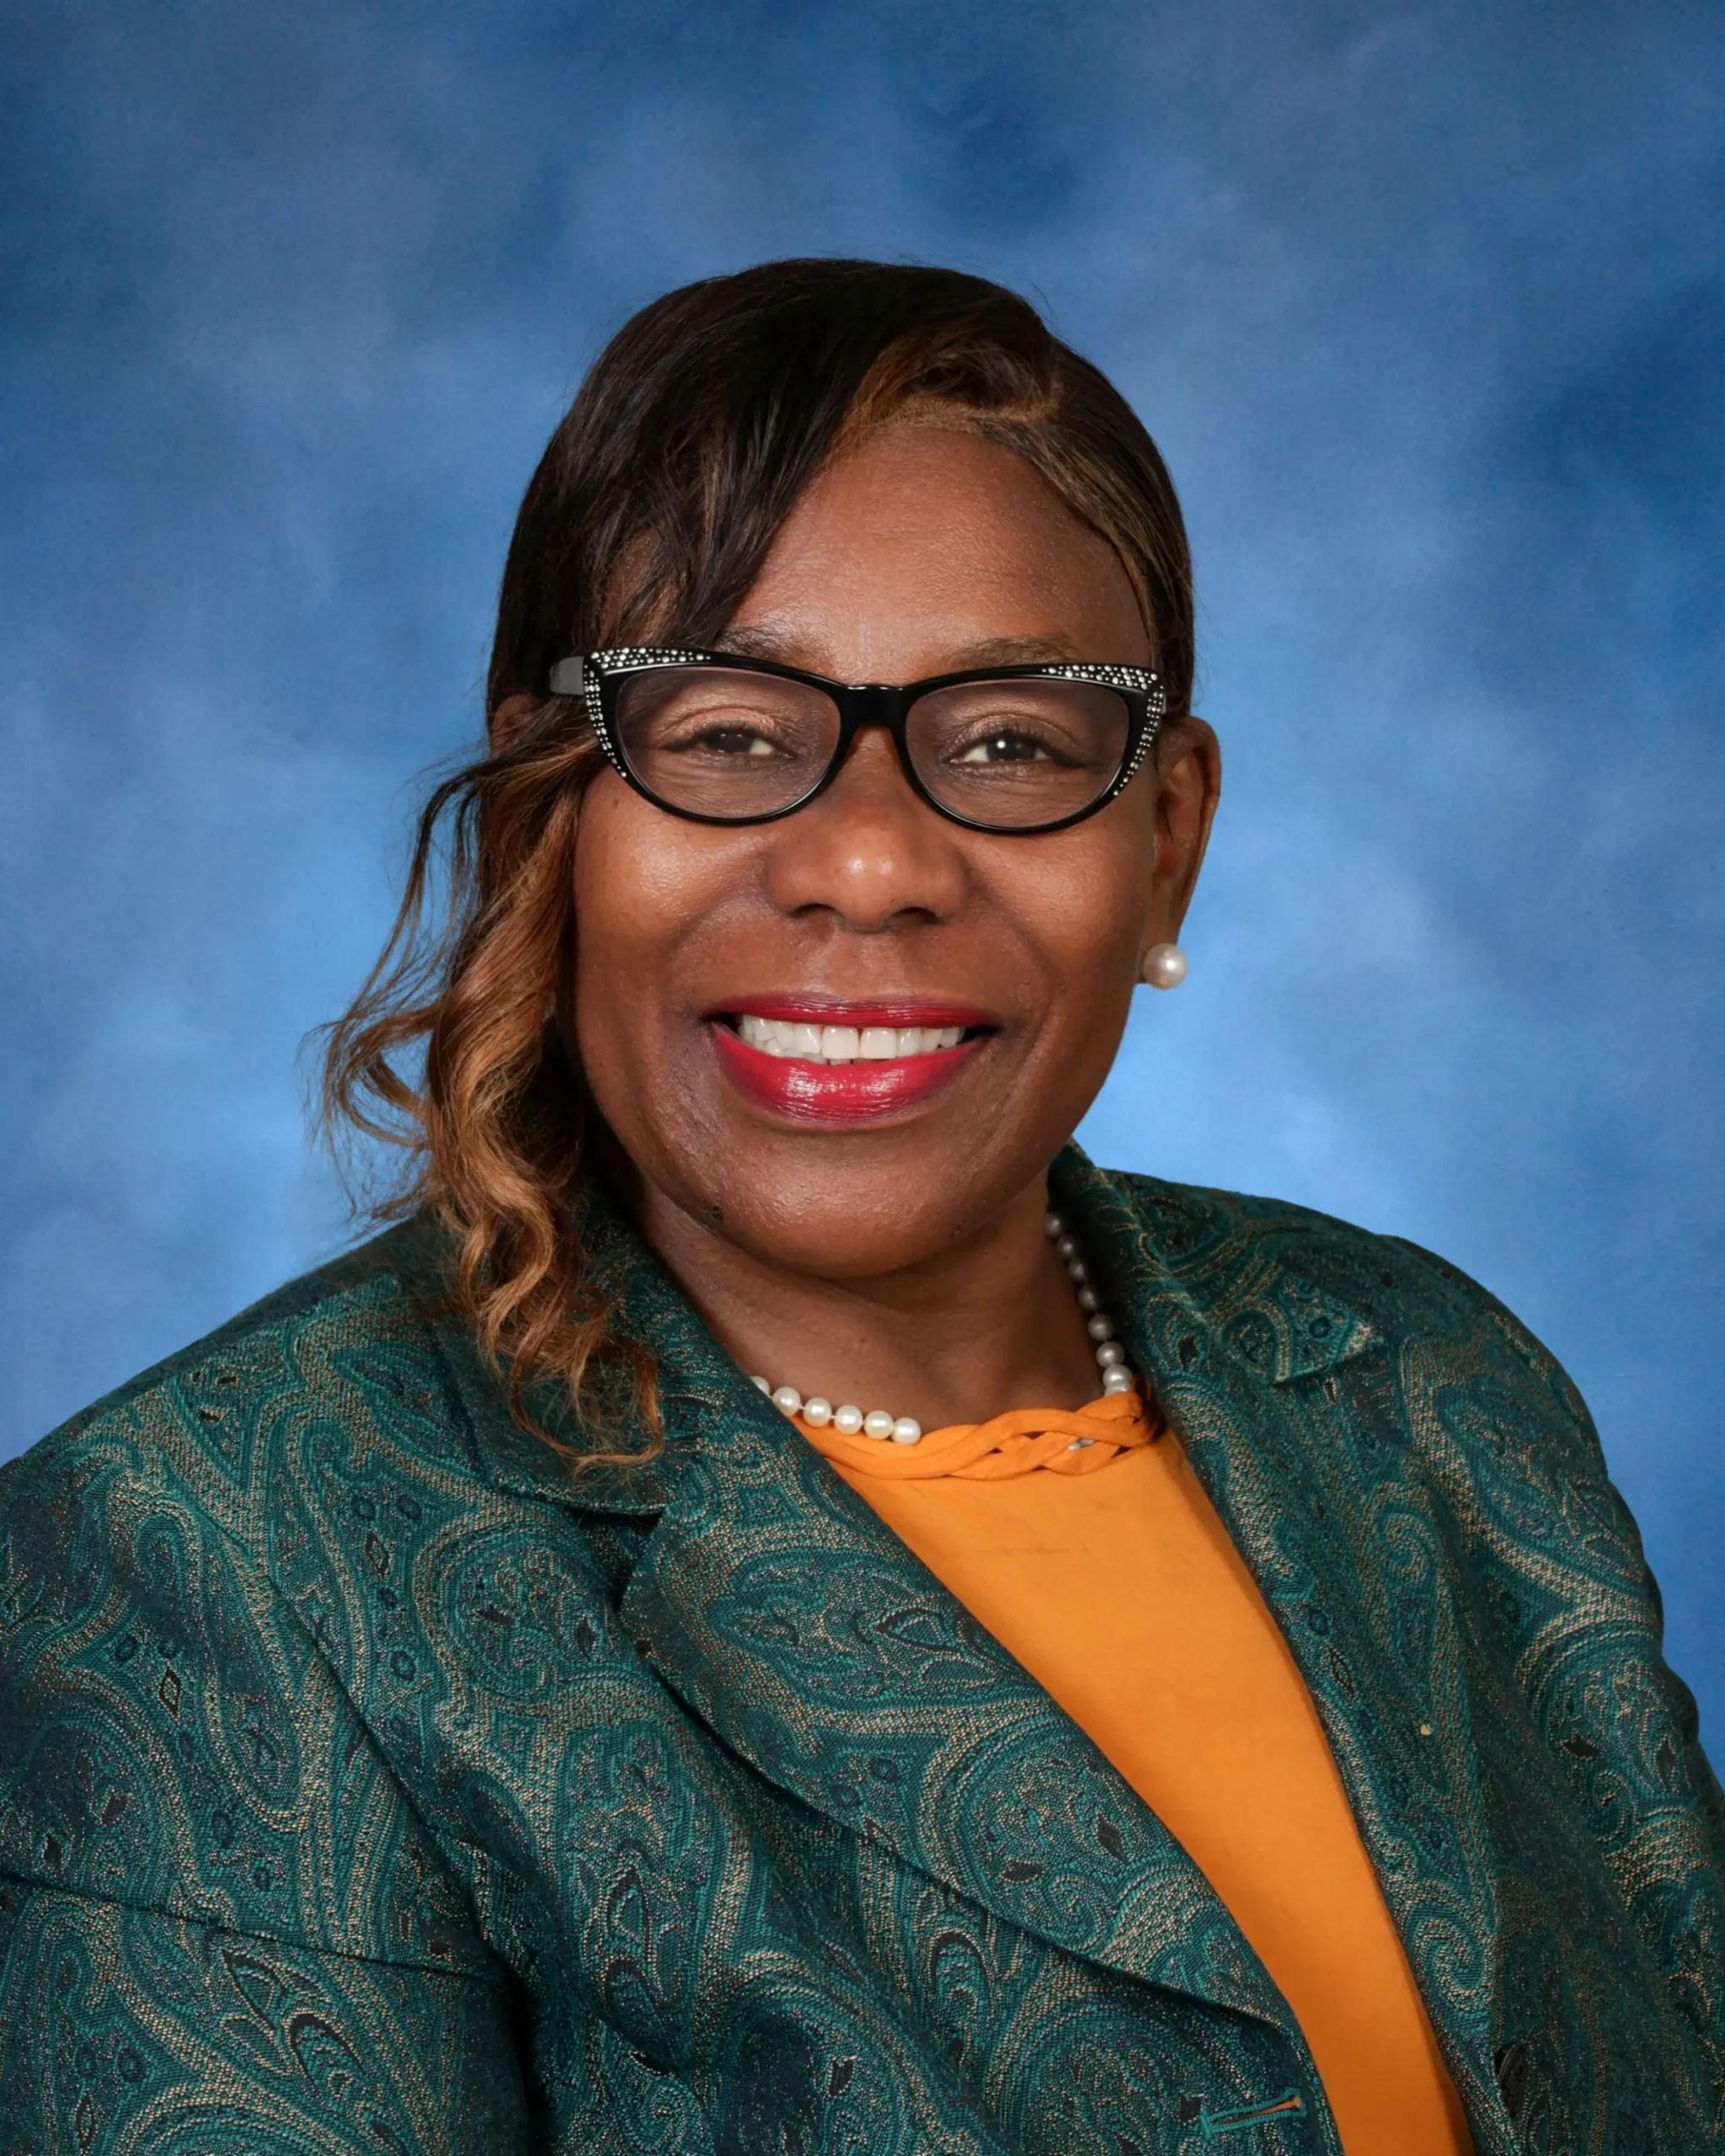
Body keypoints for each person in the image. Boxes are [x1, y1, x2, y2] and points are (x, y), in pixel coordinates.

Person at [1, 259, 1718, 2156]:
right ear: (539, 818)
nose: (875, 861)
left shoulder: (1425, 1372)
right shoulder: (213, 1554)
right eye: (729, 733)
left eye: (1012, 742)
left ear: (1167, 841)